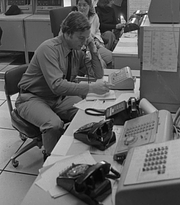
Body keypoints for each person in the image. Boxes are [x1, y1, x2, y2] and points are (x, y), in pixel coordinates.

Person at [15, 11, 110, 158]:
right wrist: (91, 88)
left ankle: (76, 151)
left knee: (86, 111)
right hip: (32, 97)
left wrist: (92, 46)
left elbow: (97, 74)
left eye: (86, 38)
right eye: (81, 38)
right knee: (54, 125)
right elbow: (57, 85)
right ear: (67, 33)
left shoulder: (76, 51)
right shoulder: (48, 49)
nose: (83, 42)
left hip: (57, 98)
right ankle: (51, 160)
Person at [74, 0, 115, 67]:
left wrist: (97, 40)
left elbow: (97, 31)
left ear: (89, 6)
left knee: (113, 58)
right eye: (79, 5)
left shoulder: (94, 17)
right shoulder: (73, 19)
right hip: (82, 49)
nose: (81, 8)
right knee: (101, 64)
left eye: (84, 5)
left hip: (95, 44)